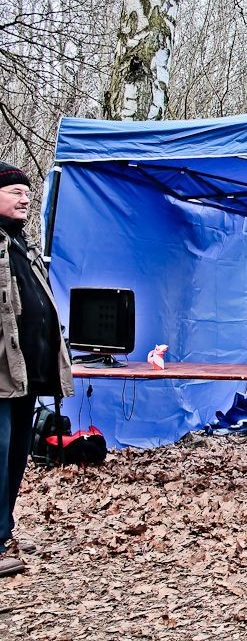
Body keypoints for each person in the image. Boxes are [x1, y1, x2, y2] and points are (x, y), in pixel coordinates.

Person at [0, 161, 74, 577]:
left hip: (25, 373)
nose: (25, 197)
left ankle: (2, 530)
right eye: (15, 192)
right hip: (0, 372)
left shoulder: (21, 245)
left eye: (28, 192)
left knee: (15, 456)